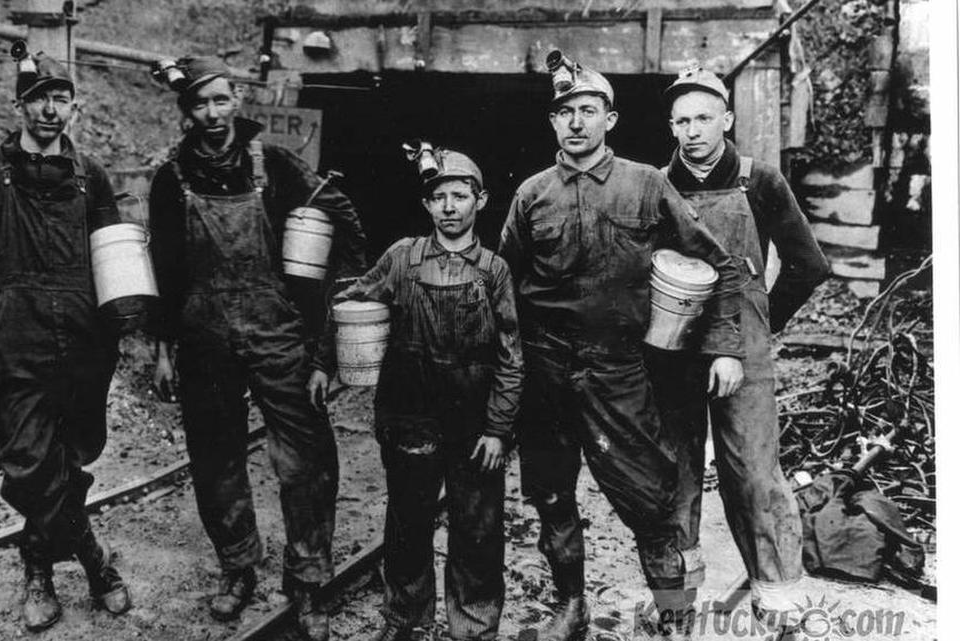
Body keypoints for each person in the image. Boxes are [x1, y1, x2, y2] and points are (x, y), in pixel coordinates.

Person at [497, 51, 748, 640]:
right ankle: (571, 607)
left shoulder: (647, 184)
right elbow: (501, 286)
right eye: (565, 112)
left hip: (620, 373)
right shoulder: (532, 195)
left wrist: (724, 346)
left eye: (589, 109)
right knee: (553, 497)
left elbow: (721, 265)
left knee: (651, 503)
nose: (576, 121)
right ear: (553, 123)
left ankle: (673, 615)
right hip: (548, 373)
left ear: (610, 119)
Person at [146, 56, 367, 640]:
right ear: (186, 112)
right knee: (214, 458)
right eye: (200, 104)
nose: (213, 114)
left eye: (221, 100)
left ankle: (311, 578)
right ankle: (238, 565)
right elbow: (163, 269)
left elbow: (343, 219)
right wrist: (163, 348)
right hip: (203, 337)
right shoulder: (171, 180)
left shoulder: (275, 164)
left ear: (236, 100)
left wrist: (336, 309)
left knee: (306, 460)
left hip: (278, 333)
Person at [0, 52, 131, 632]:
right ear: (19, 105)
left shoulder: (90, 174)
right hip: (16, 341)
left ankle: (40, 568)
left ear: (74, 106)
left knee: (70, 458)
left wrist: (119, 318)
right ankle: (91, 563)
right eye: (39, 98)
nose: (51, 109)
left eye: (61, 97)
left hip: (83, 341)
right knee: (30, 466)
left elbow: (115, 257)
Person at [309, 147, 523, 641]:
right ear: (427, 205)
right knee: (407, 523)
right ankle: (405, 620)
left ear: (481, 200)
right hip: (409, 416)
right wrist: (323, 362)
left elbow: (512, 358)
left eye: (459, 196)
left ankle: (473, 626)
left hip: (473, 424)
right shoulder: (401, 257)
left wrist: (497, 429)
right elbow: (351, 301)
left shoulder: (494, 272)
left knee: (478, 528)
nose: (449, 206)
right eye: (439, 197)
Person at [647, 66, 830, 630]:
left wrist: (761, 323)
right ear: (671, 126)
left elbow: (808, 265)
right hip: (674, 347)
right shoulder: (656, 184)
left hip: (744, 349)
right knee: (672, 473)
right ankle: (675, 604)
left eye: (704, 117)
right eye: (681, 120)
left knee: (753, 471)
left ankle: (778, 603)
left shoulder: (761, 180)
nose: (692, 130)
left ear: (727, 118)